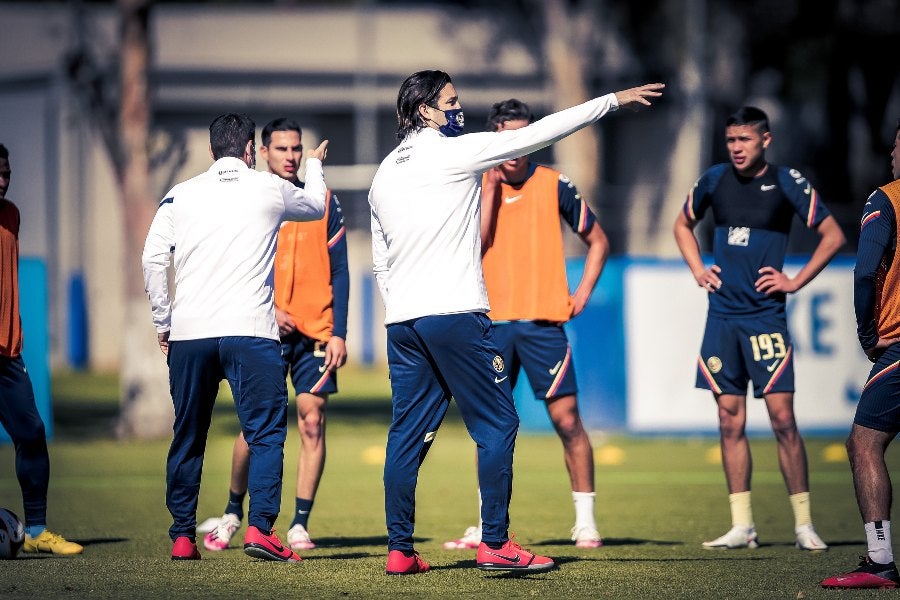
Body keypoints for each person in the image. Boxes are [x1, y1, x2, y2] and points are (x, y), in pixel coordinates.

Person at [369, 69, 663, 575]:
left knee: (407, 433)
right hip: (455, 314)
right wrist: (610, 101)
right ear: (426, 111)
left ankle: (400, 550)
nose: (459, 109)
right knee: (499, 422)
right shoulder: (452, 150)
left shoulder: (384, 172)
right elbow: (537, 134)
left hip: (404, 322)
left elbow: (380, 260)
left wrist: (401, 305)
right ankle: (496, 543)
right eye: (452, 101)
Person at [141, 113, 329, 562]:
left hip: (190, 335)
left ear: (210, 151)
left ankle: (184, 537)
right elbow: (316, 206)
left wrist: (163, 322)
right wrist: (316, 165)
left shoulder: (179, 195)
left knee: (188, 434)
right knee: (265, 436)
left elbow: (151, 260)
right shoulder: (269, 186)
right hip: (251, 333)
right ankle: (261, 530)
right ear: (250, 148)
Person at [672, 106, 845, 551]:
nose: (735, 148)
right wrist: (697, 268)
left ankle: (804, 524)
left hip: (765, 318)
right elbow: (682, 224)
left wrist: (794, 280)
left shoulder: (787, 181)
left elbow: (833, 236)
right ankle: (742, 526)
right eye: (731, 140)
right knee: (729, 421)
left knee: (783, 419)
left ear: (765, 140)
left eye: (744, 140)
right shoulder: (714, 180)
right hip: (722, 318)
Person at [443, 99, 607, 552]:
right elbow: (475, 246)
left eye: (522, 137)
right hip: (490, 324)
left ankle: (585, 522)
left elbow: (598, 241)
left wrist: (581, 295)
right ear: (495, 140)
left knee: (567, 419)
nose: (515, 149)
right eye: (506, 140)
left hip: (541, 324)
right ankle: (484, 525)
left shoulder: (555, 185)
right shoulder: (473, 187)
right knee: (490, 427)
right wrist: (491, 190)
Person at [199, 118, 349, 552]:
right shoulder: (254, 198)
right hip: (263, 329)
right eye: (281, 148)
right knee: (255, 428)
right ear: (261, 152)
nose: (290, 156)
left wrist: (338, 332)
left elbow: (340, 269)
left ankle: (299, 523)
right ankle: (232, 511)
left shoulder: (321, 201)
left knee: (312, 419)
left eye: (296, 149)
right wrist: (272, 308)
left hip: (316, 331)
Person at [821, 119, 900, 589]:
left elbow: (865, 272)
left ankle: (880, 562)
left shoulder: (886, 198)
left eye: (897, 143)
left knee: (864, 443)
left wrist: (868, 334)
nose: (892, 153)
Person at [0, 143, 83, 556]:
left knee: (31, 434)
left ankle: (35, 532)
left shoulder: (12, 214)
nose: (3, 180)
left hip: (8, 356)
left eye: (6, 172)